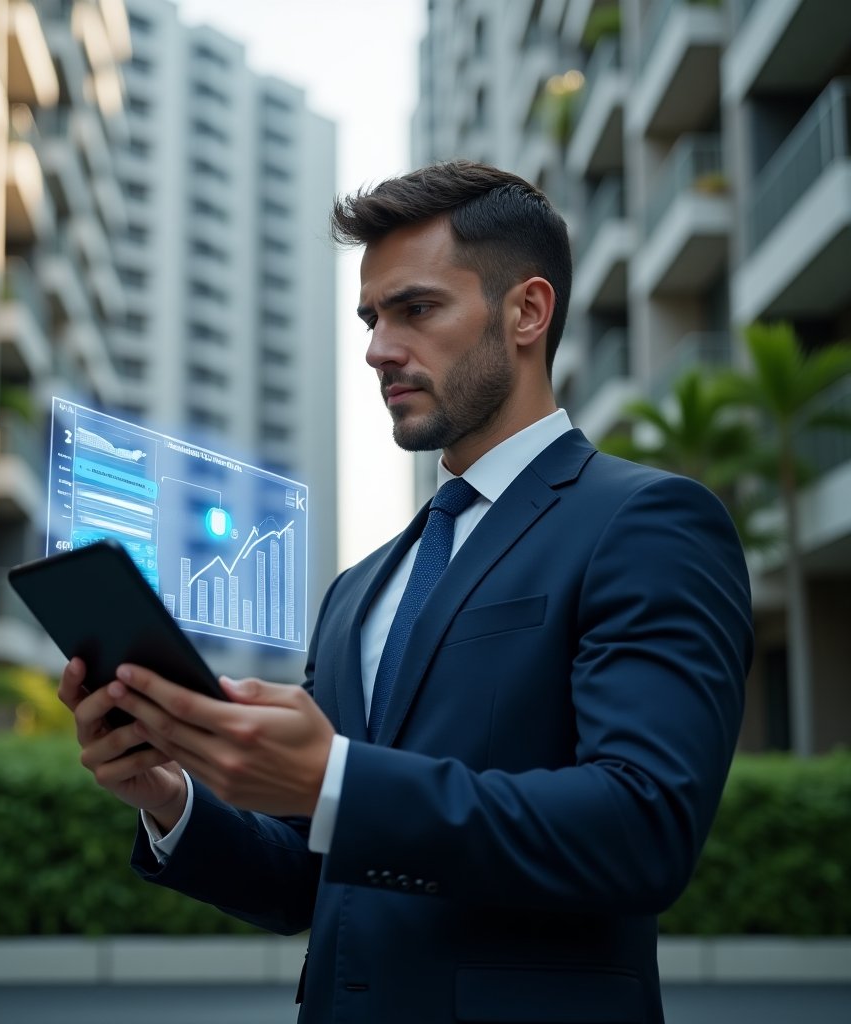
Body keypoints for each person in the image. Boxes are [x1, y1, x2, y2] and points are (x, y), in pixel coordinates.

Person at [59, 160, 753, 1023]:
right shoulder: (359, 588)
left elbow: (645, 826)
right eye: (371, 317)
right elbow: (309, 882)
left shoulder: (647, 521)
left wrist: (340, 782)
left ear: (527, 312)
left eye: (416, 309)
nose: (379, 348)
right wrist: (173, 798)